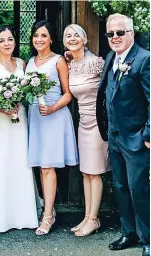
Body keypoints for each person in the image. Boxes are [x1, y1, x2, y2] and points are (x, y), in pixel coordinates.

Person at [0, 26, 39, 233]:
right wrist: (2, 107)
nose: (7, 43)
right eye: (2, 40)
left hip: (19, 118)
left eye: (10, 39)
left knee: (19, 161)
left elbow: (30, 88)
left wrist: (19, 103)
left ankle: (22, 214)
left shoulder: (22, 63)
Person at [96, 13, 150, 256]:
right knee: (120, 187)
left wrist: (148, 134)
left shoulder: (144, 59)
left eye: (120, 32)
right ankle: (128, 233)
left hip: (137, 138)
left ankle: (147, 239)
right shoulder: (111, 57)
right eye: (110, 33)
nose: (115, 37)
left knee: (139, 189)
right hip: (115, 137)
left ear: (131, 34)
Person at [26, 20, 78, 236]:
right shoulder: (29, 62)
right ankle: (48, 208)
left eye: (44, 36)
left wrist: (53, 107)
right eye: (36, 35)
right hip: (35, 117)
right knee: (40, 165)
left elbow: (68, 93)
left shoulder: (59, 61)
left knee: (48, 166)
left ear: (51, 39)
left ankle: (48, 216)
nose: (39, 39)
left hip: (54, 117)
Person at [63, 24, 110, 237]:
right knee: (85, 172)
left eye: (76, 35)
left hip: (98, 123)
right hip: (83, 122)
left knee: (95, 172)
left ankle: (94, 219)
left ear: (84, 38)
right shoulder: (70, 63)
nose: (72, 38)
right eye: (68, 36)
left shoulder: (98, 62)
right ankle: (88, 216)